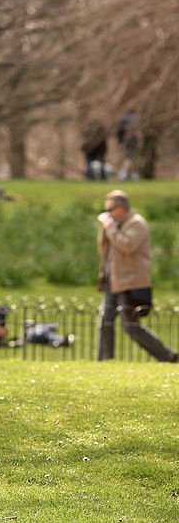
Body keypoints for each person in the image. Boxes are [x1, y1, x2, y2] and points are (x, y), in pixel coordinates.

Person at [97, 190, 177, 362]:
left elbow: (128, 246)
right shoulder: (115, 224)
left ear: (122, 207)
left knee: (131, 326)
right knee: (105, 321)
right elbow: (105, 249)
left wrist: (110, 227)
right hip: (113, 280)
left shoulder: (137, 223)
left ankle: (167, 356)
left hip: (130, 282)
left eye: (111, 209)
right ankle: (104, 360)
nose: (108, 213)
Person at [115, 109, 142, 181]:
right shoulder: (135, 118)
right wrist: (139, 140)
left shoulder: (125, 118)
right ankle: (122, 174)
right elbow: (136, 130)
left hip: (126, 140)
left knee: (131, 157)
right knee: (130, 157)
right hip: (132, 140)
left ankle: (134, 175)